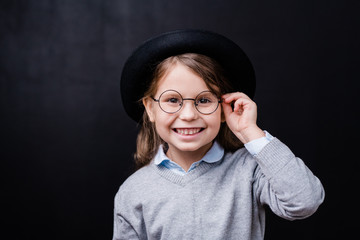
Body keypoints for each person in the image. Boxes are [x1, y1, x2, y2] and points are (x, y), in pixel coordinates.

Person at [113, 29, 325, 240]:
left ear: (224, 108)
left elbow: (305, 201)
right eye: (173, 100)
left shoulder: (249, 171)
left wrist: (250, 132)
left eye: (204, 100)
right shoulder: (133, 191)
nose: (188, 115)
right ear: (150, 108)